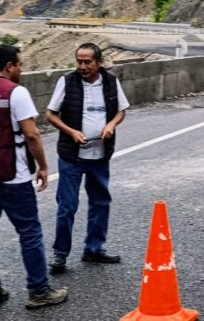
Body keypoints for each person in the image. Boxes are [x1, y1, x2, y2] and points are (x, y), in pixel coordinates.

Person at [0, 44, 67, 310]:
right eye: (19, 64)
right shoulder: (16, 93)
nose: (21, 69)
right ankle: (38, 291)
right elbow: (32, 134)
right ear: (9, 66)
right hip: (12, 175)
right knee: (29, 231)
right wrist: (43, 166)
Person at [46, 42, 130, 273]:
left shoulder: (111, 82)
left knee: (100, 202)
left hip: (100, 155)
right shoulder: (66, 81)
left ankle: (94, 248)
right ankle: (60, 254)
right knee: (67, 206)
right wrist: (71, 131)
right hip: (71, 156)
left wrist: (111, 125)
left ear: (99, 62)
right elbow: (50, 114)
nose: (82, 66)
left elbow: (122, 110)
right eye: (79, 62)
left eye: (87, 62)